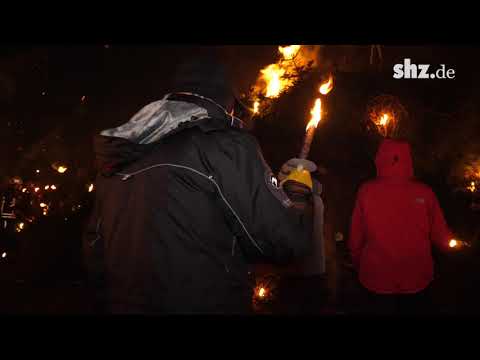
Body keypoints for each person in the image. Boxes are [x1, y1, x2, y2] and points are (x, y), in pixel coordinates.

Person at [83, 56, 313, 314]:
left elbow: (95, 252)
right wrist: (296, 193)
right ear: (224, 102)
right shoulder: (224, 145)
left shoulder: (121, 159)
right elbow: (282, 241)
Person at [348, 139, 453, 316]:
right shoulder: (425, 192)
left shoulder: (366, 191)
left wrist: (357, 261)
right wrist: (450, 248)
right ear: (408, 160)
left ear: (380, 159)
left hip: (376, 276)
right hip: (416, 276)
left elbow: (356, 236)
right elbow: (440, 234)